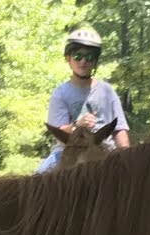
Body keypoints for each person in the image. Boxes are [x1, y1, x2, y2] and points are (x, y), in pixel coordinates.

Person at [39, 27, 129, 168]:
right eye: (77, 56)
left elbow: (119, 129)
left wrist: (127, 154)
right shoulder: (60, 93)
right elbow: (59, 132)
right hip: (68, 151)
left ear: (95, 61)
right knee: (42, 172)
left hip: (105, 149)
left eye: (89, 57)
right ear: (68, 59)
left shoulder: (107, 91)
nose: (83, 61)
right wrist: (77, 126)